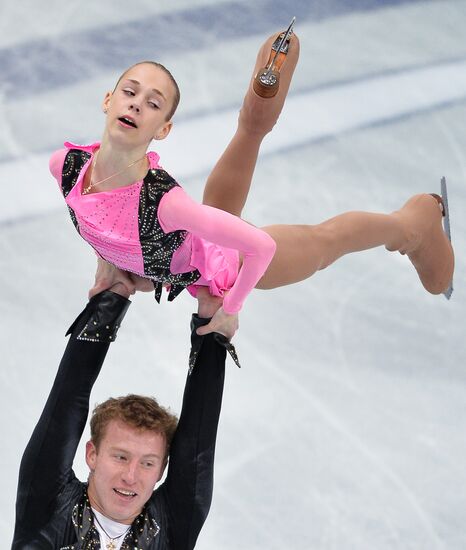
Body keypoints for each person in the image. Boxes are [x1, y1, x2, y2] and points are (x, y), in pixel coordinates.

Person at [50, 27, 454, 342]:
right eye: (130, 92)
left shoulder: (163, 205)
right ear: (109, 99)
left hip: (228, 264)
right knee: (223, 205)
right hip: (190, 238)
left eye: (153, 103)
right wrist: (109, 256)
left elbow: (262, 248)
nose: (137, 103)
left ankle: (413, 224)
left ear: (164, 128)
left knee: (325, 241)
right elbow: (105, 216)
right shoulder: (68, 168)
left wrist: (231, 305)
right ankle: (258, 107)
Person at [12, 286, 232, 549]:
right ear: (92, 454)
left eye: (148, 463)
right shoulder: (50, 504)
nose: (131, 476)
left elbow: (199, 432)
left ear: (162, 469)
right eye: (121, 457)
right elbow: (67, 400)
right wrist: (113, 293)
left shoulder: (172, 523)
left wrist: (212, 322)